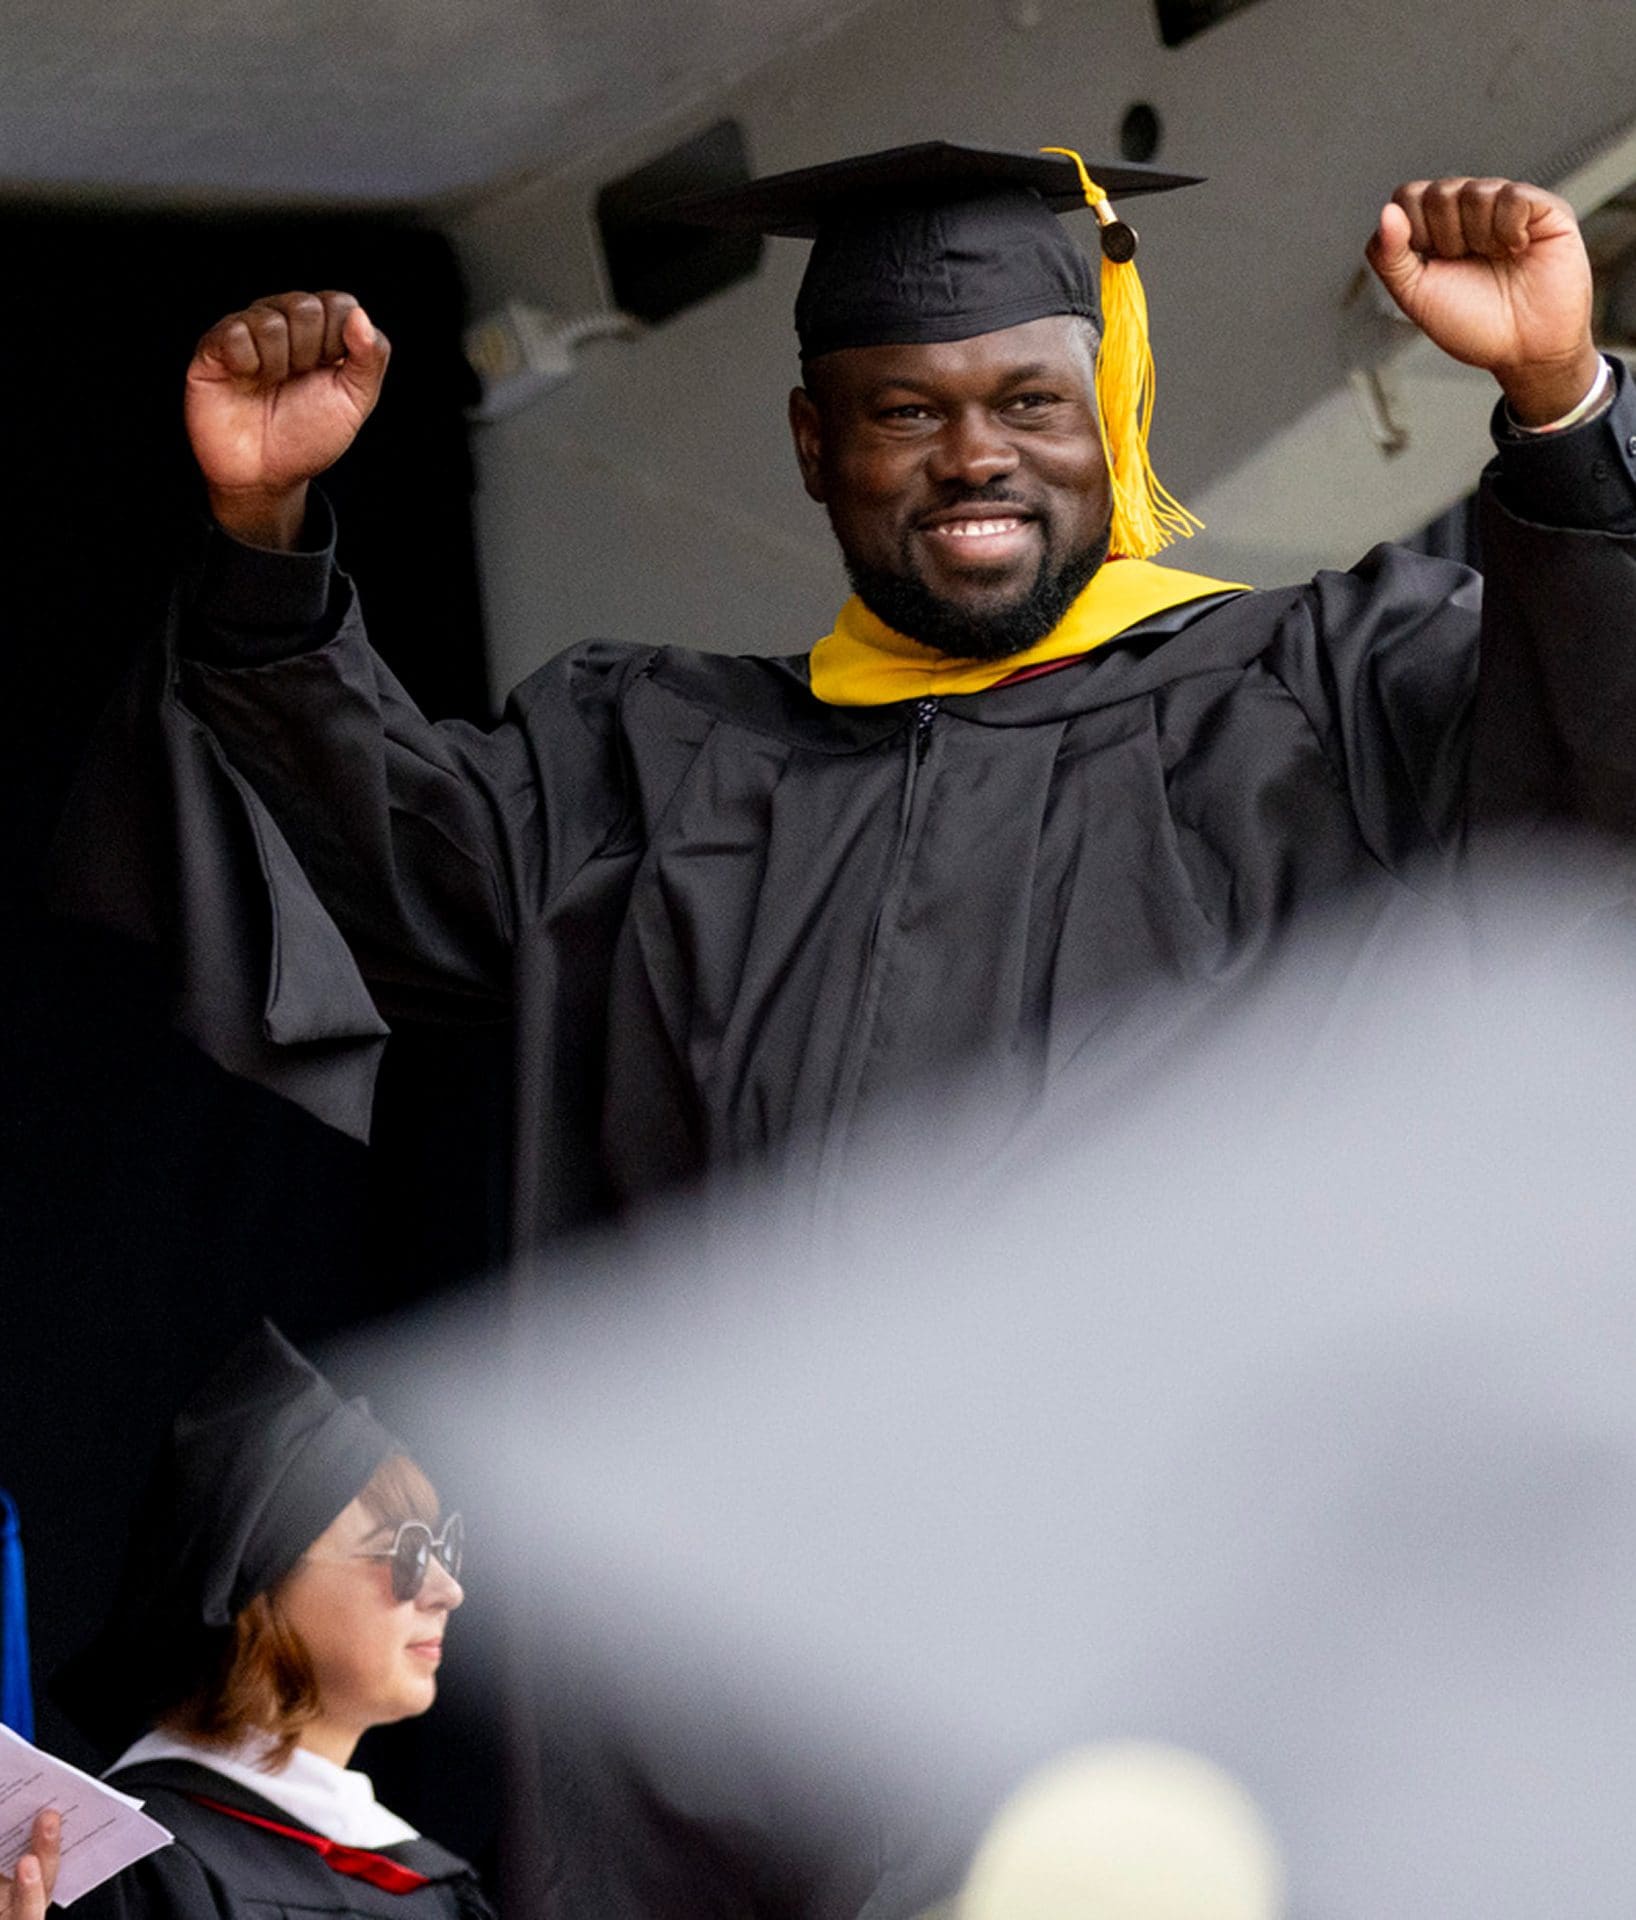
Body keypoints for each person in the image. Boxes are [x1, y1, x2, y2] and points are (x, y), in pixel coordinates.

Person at [54, 146, 1636, 1245]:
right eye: (904, 411)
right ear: (818, 449)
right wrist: (263, 536)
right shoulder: (651, 764)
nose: (975, 456)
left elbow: (1593, 765)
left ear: (1113, 418)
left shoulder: (1329, 690)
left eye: (1032, 401)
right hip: (767, 1617)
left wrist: (1560, 403)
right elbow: (375, 867)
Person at [55, 1321, 491, 1920]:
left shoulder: (436, 1892)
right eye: (406, 1553)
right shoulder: (140, 1871)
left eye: (445, 1549)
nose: (449, 1591)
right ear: (263, 1584)